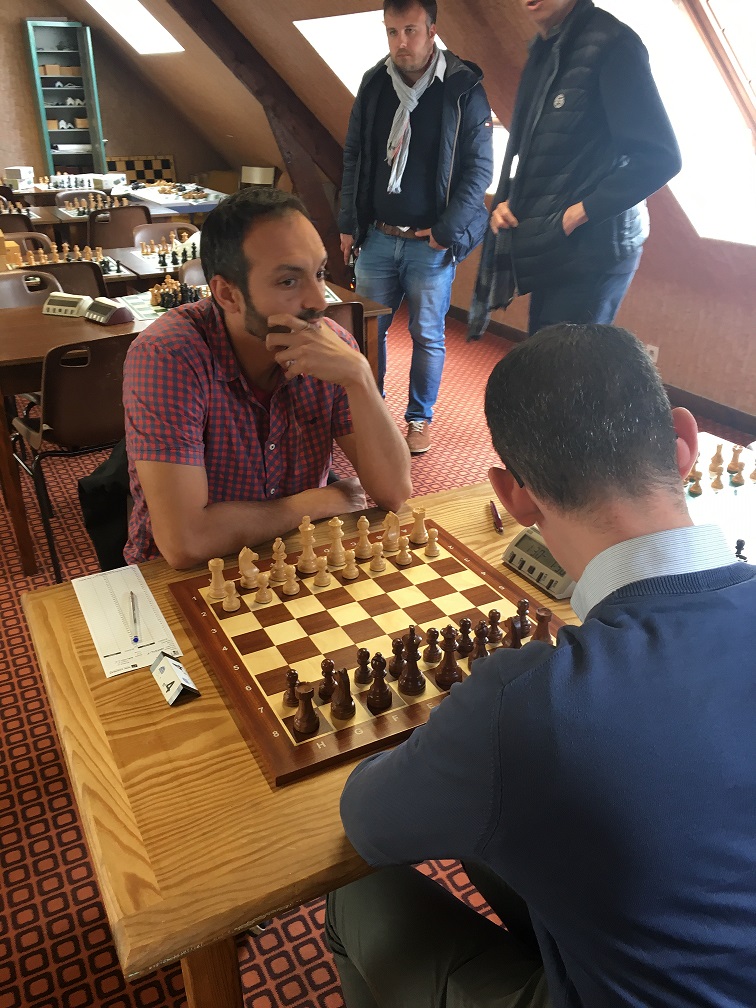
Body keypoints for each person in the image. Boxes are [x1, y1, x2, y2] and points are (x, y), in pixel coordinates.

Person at [325, 324, 756, 1007]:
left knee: (357, 895)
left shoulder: (528, 702)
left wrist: (466, 731)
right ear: (685, 440)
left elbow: (367, 822)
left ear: (512, 495)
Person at [123, 187, 412, 570]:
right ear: (228, 294)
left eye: (319, 273)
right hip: (183, 579)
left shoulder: (331, 347)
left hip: (293, 558)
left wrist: (360, 377)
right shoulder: (169, 356)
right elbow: (187, 543)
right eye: (288, 281)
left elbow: (394, 493)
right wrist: (316, 502)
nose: (319, 301)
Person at [469, 0, 682, 340]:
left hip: (594, 251)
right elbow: (541, 150)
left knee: (565, 366)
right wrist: (509, 200)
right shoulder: (547, 47)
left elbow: (660, 156)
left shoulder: (614, 44)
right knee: (542, 357)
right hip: (554, 243)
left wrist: (578, 214)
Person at [339, 0, 493, 455]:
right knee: (369, 331)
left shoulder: (462, 89)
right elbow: (354, 157)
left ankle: (419, 418)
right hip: (378, 236)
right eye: (392, 31)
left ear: (432, 31)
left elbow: (479, 170)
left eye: (410, 30)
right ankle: (371, 410)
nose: (400, 42)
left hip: (430, 243)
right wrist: (348, 224)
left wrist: (447, 231)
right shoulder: (374, 84)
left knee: (427, 335)